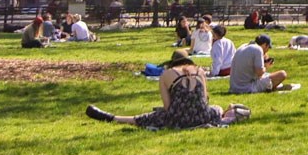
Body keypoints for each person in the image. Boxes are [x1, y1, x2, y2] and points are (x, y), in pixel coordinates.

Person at [86, 49, 226, 129]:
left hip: (177, 119)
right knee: (219, 108)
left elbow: (167, 106)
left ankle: (113, 118)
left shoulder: (166, 75)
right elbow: (205, 98)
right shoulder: (200, 71)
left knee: (145, 118)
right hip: (202, 116)